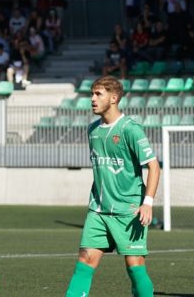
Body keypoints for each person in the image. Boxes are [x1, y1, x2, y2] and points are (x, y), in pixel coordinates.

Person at [65, 76, 160, 297]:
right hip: (98, 210)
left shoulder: (130, 129)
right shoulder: (92, 130)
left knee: (135, 267)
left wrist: (147, 203)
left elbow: (154, 167)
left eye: (98, 94)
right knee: (84, 262)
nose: (92, 99)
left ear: (114, 98)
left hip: (128, 211)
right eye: (92, 94)